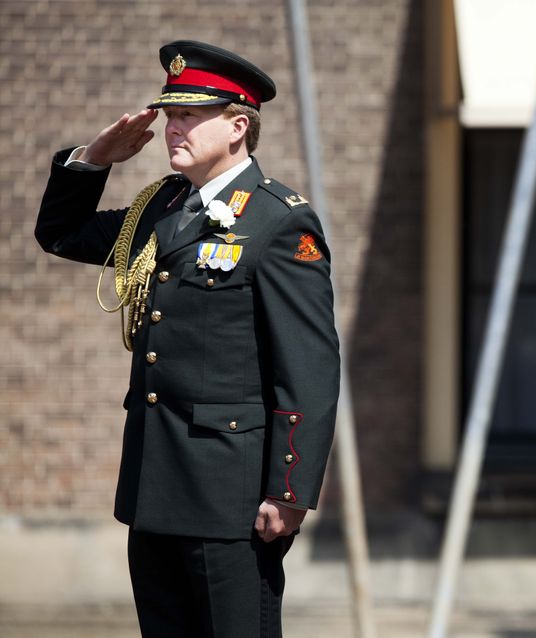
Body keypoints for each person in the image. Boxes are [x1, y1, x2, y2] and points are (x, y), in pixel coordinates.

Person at [35, 40, 341, 637]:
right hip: (154, 486)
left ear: (237, 126)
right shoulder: (163, 208)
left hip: (230, 497)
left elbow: (307, 366)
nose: (173, 128)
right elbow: (61, 233)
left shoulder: (279, 221)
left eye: (189, 116)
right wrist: (92, 161)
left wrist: (290, 491)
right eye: (170, 114)